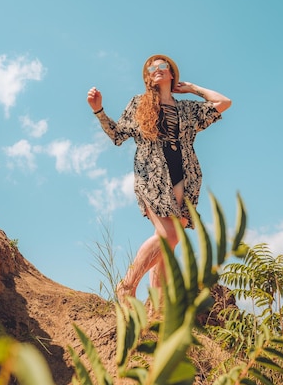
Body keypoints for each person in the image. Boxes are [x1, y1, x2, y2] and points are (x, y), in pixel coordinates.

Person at [87, 54, 232, 303]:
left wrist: (193, 89)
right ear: (147, 77)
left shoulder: (186, 108)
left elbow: (224, 102)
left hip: (185, 179)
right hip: (152, 173)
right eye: (151, 68)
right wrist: (99, 110)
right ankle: (127, 286)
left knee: (169, 243)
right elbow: (118, 135)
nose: (157, 69)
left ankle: (157, 307)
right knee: (169, 235)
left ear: (171, 73)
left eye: (162, 66)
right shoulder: (139, 103)